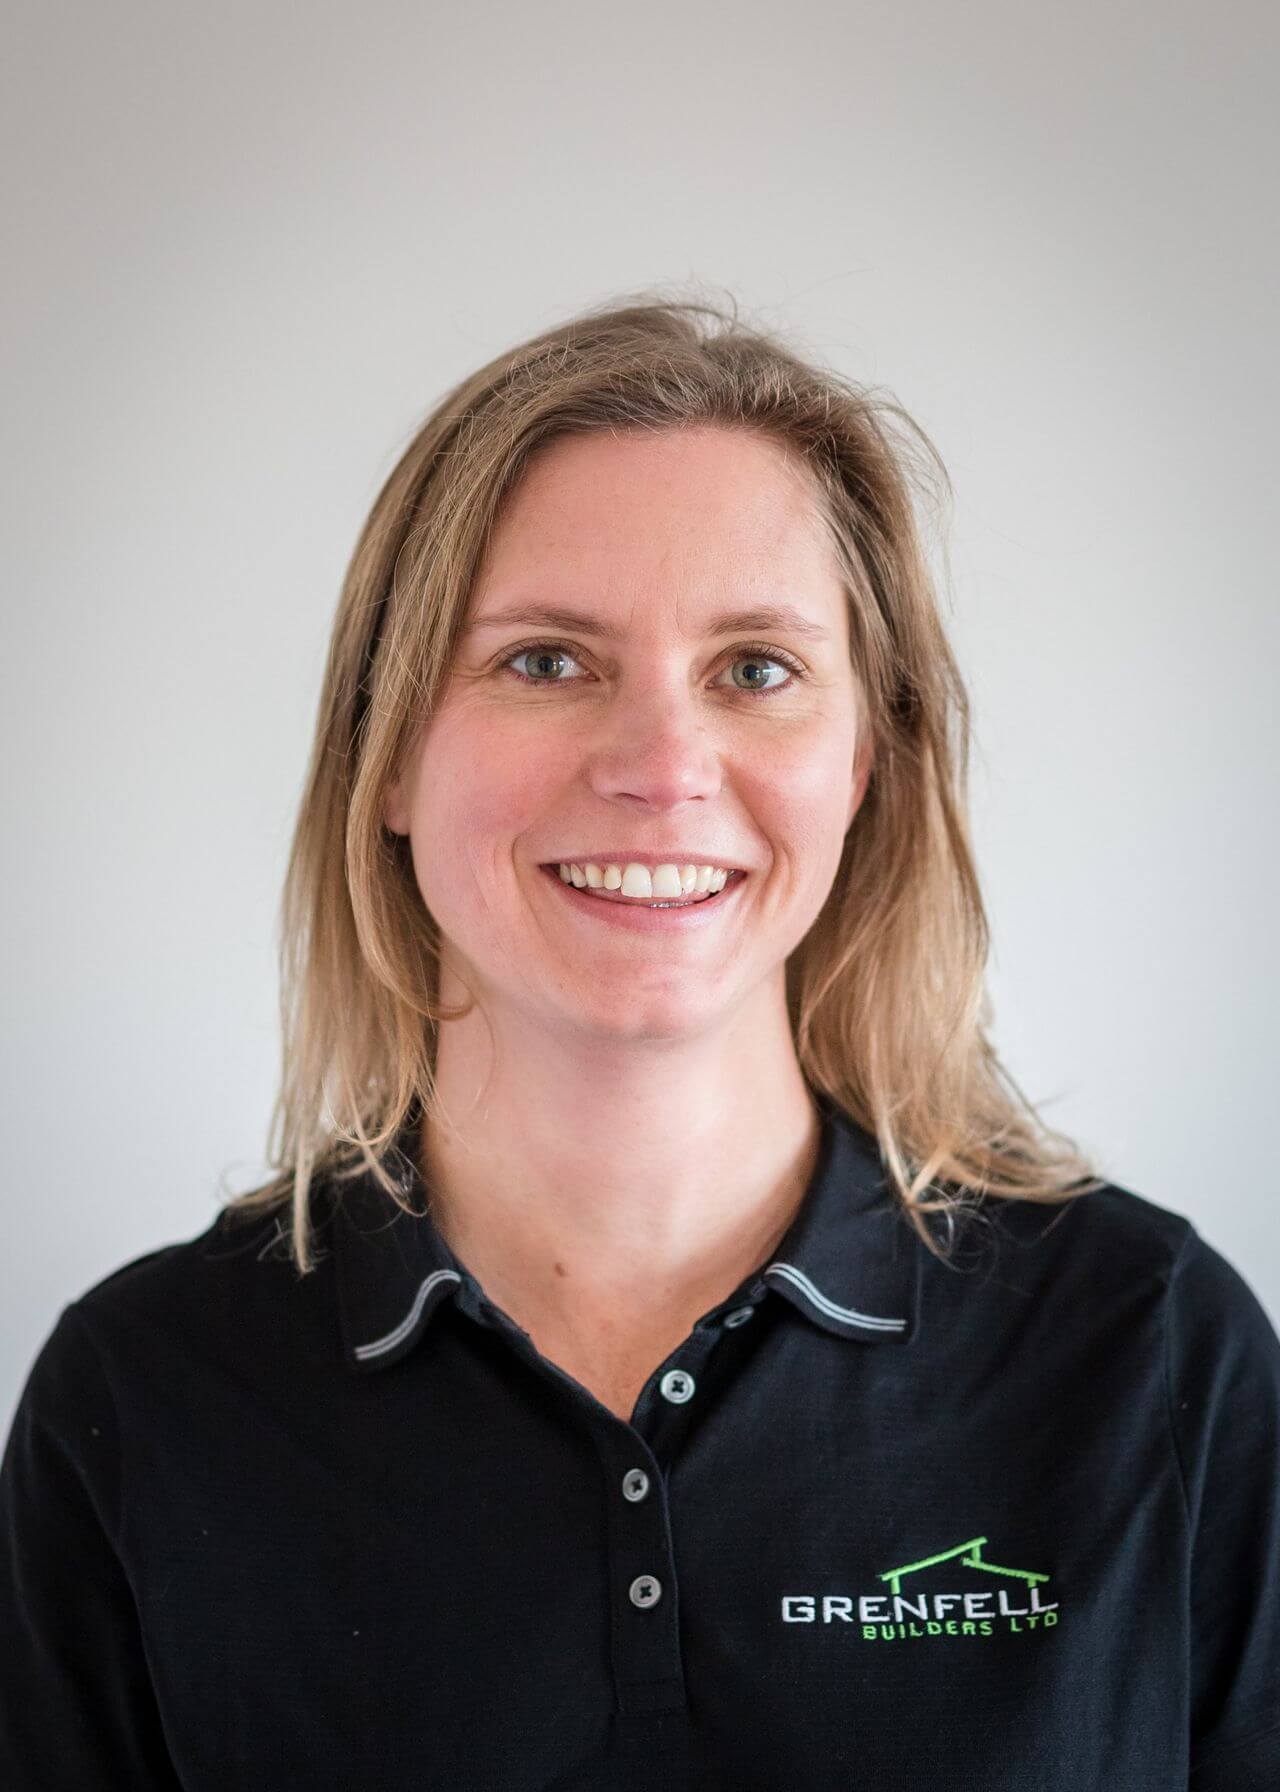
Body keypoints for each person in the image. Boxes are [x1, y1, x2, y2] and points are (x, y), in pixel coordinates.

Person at [2, 292, 1277, 1791]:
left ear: (865, 761)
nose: (664, 768)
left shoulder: (1150, 1353)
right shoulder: (142, 1398)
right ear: (386, 755)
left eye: (757, 669)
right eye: (547, 661)